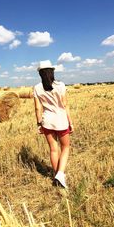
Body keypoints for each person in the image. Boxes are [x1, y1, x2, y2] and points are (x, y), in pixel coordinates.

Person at [33, 60, 73, 188]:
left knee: (53, 149)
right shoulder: (61, 85)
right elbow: (65, 105)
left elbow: (38, 108)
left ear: (40, 74)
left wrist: (39, 123)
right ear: (52, 71)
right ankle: (60, 174)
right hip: (61, 120)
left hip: (47, 121)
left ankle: (57, 176)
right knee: (65, 147)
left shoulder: (37, 88)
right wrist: (70, 121)